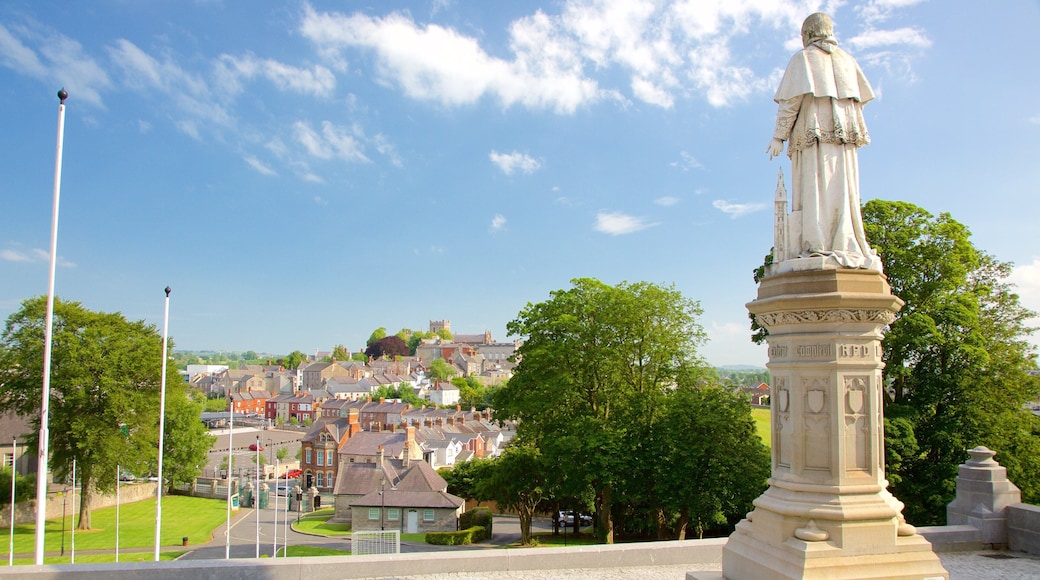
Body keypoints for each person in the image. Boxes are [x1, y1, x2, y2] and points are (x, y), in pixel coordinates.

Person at [767, 12, 881, 271]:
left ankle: (816, 242)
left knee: (814, 188)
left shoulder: (803, 59)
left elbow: (791, 102)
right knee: (843, 190)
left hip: (814, 136)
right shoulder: (848, 62)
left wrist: (778, 136)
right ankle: (844, 241)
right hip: (843, 141)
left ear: (807, 34)